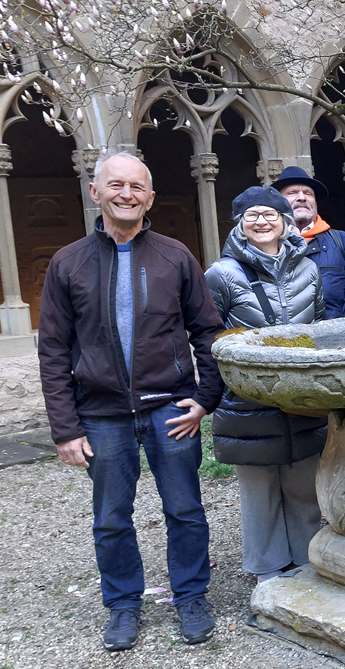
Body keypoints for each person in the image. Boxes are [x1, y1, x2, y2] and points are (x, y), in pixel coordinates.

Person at [38, 151, 223, 651]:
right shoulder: (67, 263)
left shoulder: (175, 256)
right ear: (95, 192)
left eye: (136, 186)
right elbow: (53, 350)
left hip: (170, 408)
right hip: (101, 415)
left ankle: (191, 597)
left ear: (150, 198)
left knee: (185, 509)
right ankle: (123, 604)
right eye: (115, 185)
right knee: (111, 517)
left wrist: (205, 398)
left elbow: (207, 332)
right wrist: (66, 429)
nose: (126, 194)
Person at [204, 186, 328, 584]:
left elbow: (320, 327)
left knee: (303, 481)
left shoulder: (308, 269)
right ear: (240, 223)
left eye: (269, 214)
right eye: (252, 215)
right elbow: (208, 337)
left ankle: (307, 560)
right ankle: (268, 569)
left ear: (285, 221)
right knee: (258, 487)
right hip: (248, 398)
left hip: (302, 395)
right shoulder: (222, 274)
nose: (261, 222)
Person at [273, 166, 345, 318]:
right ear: (278, 203)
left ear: (315, 203)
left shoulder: (341, 241)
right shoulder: (269, 243)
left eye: (308, 193)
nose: (302, 198)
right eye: (292, 193)